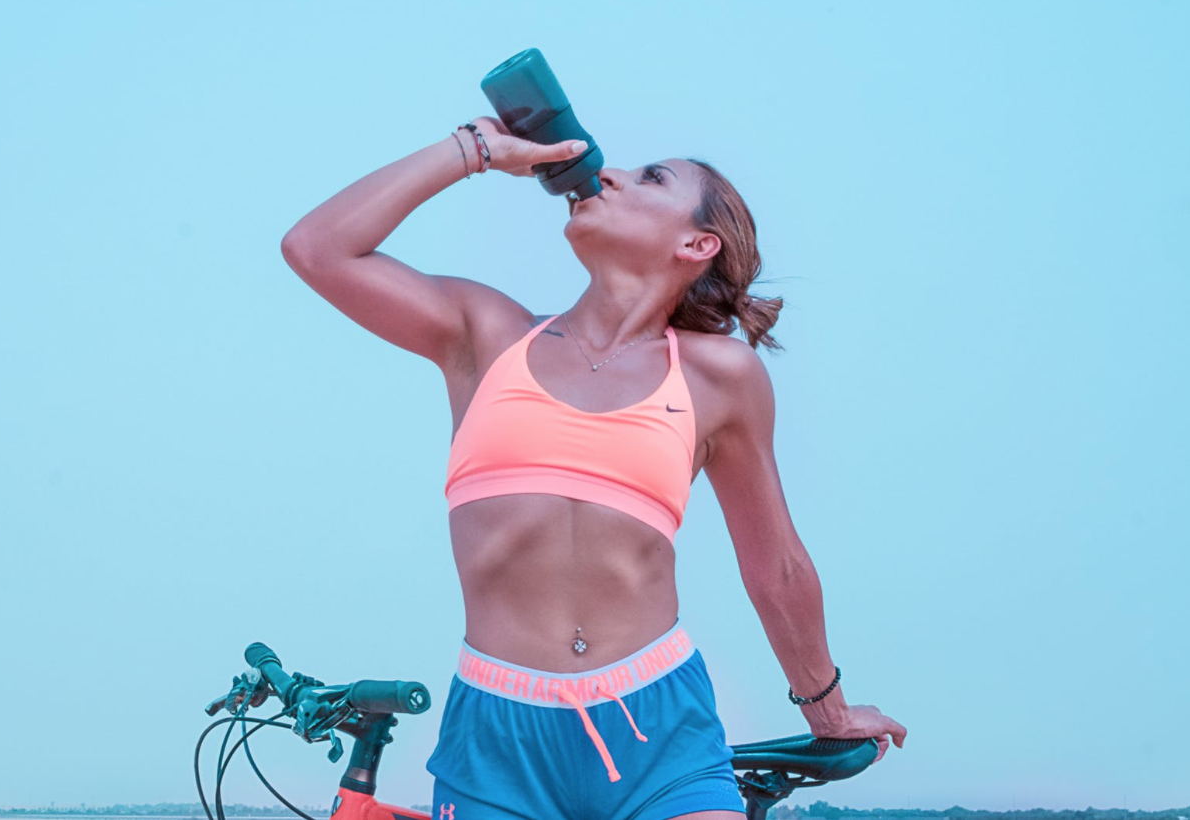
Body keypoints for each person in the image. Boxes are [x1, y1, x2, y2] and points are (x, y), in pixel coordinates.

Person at [280, 115, 906, 820]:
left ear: (697, 244)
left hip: (659, 728)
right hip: (495, 736)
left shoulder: (717, 376)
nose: (607, 173)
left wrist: (828, 710)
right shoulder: (487, 336)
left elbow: (777, 565)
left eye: (652, 178)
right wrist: (475, 151)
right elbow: (317, 249)